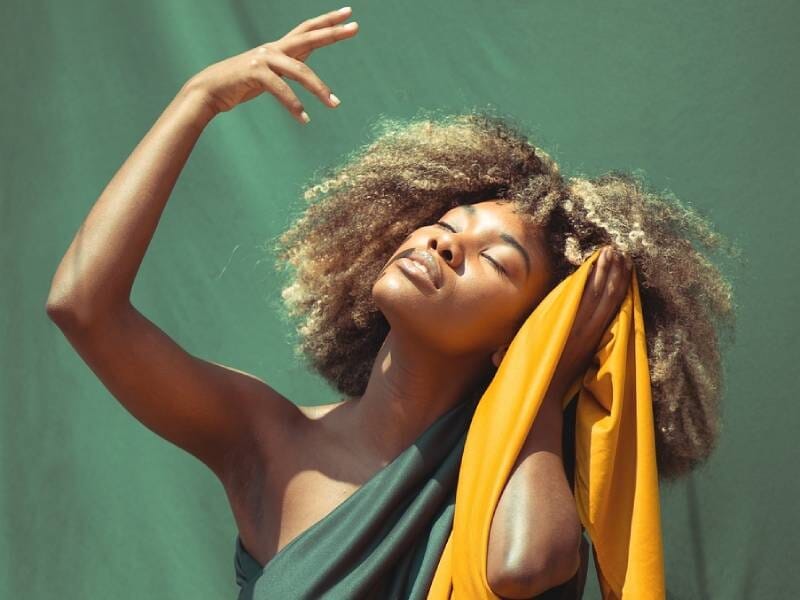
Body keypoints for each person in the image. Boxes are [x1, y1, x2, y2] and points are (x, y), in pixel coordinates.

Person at [45, 6, 738, 599]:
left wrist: (548, 380)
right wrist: (197, 98)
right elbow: (82, 306)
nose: (443, 246)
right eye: (444, 226)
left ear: (517, 338)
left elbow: (524, 569)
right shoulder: (269, 439)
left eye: (494, 260)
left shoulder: (512, 479)